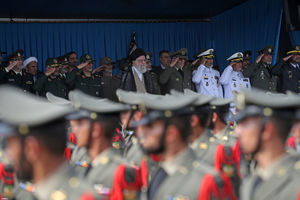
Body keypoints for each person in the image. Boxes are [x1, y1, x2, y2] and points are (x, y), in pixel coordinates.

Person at [0, 86, 100, 200]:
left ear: (31, 148)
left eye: (11, 146)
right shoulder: (29, 193)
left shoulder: (80, 197)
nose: (8, 154)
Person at [133, 93, 236, 200]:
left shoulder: (207, 181)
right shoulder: (159, 172)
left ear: (171, 134)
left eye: (150, 127)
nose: (143, 133)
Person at [67, 90, 141, 199]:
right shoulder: (89, 164)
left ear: (96, 130)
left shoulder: (121, 171)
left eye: (80, 124)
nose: (74, 129)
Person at [234, 89, 300, 200]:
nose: (237, 132)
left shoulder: (296, 183)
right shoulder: (251, 182)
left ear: (266, 130)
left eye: (244, 124)